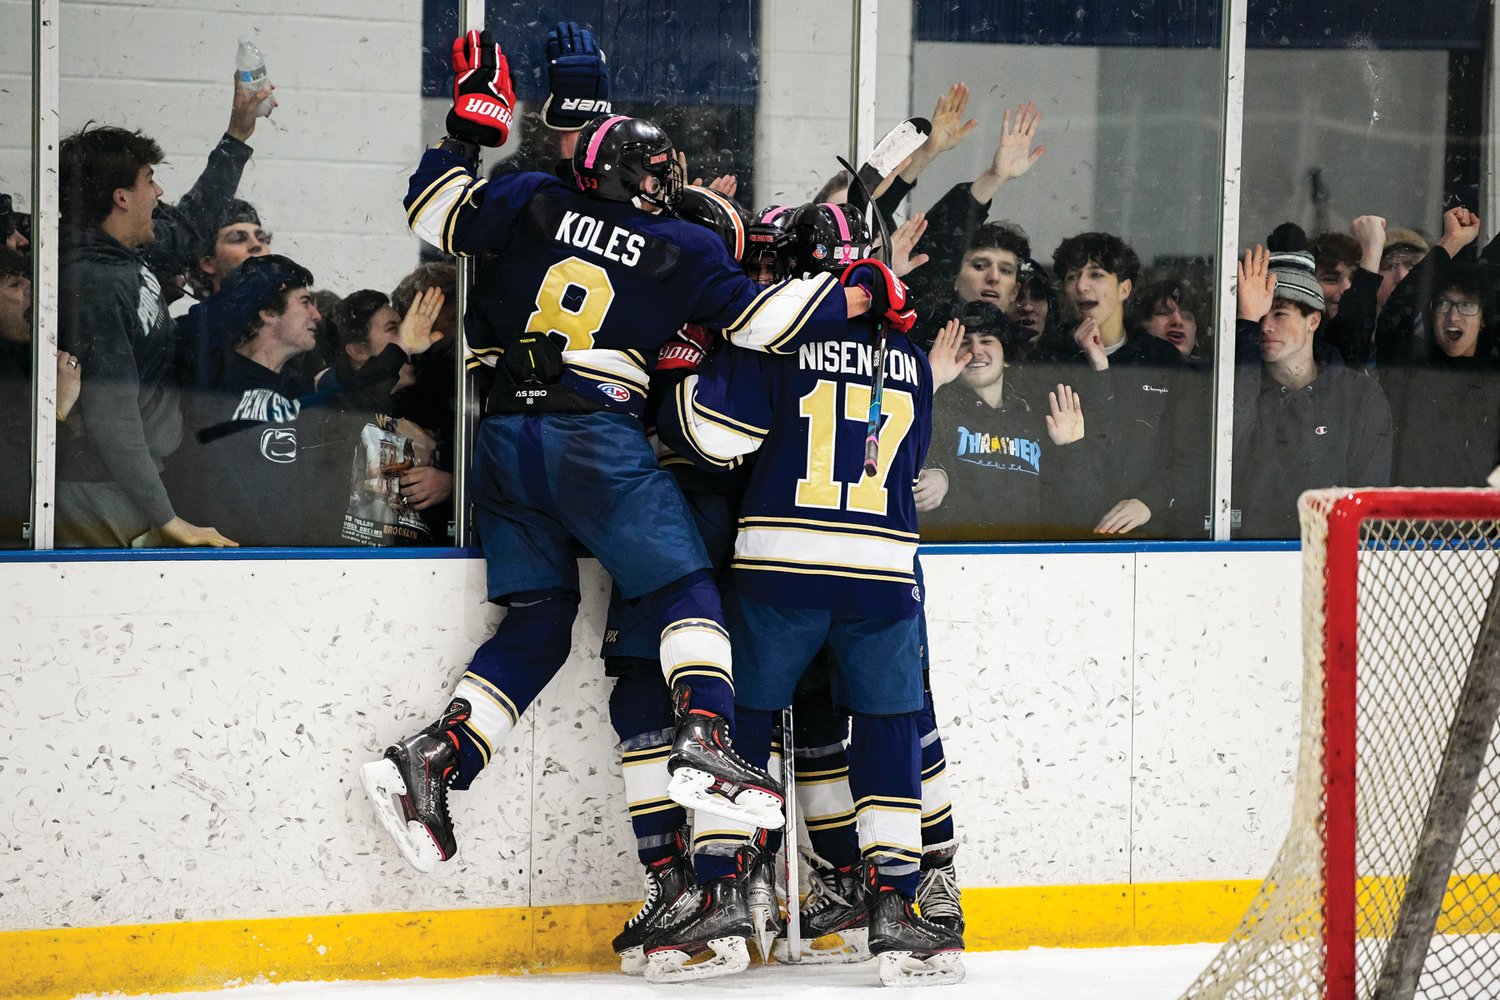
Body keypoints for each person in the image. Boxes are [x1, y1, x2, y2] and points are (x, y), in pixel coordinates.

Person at [360, 31, 876, 881]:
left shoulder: (527, 197)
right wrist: (856, 293)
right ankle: (706, 739)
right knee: (684, 589)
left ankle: (436, 760)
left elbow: (433, 210)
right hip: (590, 435)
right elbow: (767, 323)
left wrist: (464, 131)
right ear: (652, 184)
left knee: (538, 623)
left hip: (501, 440)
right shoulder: (683, 249)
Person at [652, 201, 965, 986]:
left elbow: (709, 437)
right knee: (890, 732)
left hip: (783, 568)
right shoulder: (913, 354)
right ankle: (896, 909)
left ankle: (721, 897)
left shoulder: (785, 342)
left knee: (742, 730)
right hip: (886, 577)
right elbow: (907, 453)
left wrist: (690, 361)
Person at [56, 124, 242, 548]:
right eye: (148, 180)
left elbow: (193, 225)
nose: (158, 192)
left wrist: (238, 133)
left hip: (129, 484)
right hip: (102, 490)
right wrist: (167, 518)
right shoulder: (94, 280)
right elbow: (112, 411)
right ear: (121, 198)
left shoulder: (123, 258)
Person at [1231, 247, 1392, 537]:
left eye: (1279, 314)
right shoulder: (1240, 388)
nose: (1264, 327)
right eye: (1259, 316)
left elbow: (1369, 499)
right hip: (1248, 556)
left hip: (1333, 558)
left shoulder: (1359, 396)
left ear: (1313, 321)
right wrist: (1245, 326)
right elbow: (1233, 445)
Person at [166, 254, 326, 546]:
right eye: (304, 302)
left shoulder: (299, 385)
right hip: (212, 558)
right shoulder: (210, 371)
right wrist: (257, 286)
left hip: (284, 561)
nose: (316, 314)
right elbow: (197, 324)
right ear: (267, 312)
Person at [1042, 231, 1195, 536]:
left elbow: (1194, 453)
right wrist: (1099, 369)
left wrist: (1149, 502)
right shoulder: (1049, 360)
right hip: (1073, 538)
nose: (1082, 285)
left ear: (1125, 288)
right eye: (1072, 276)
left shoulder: (1160, 359)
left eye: (1096, 274)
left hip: (1153, 539)